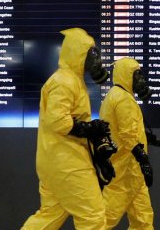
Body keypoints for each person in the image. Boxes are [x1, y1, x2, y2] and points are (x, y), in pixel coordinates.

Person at [22, 27, 115, 230]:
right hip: (68, 163)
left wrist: (95, 142)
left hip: (58, 161)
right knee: (93, 217)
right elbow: (58, 121)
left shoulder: (72, 80)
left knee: (49, 216)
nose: (97, 62)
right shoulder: (64, 81)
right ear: (78, 53)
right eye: (92, 55)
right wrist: (89, 128)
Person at [99, 57, 157, 230]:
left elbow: (122, 129)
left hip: (131, 172)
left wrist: (146, 137)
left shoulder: (116, 95)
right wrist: (144, 161)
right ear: (126, 75)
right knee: (105, 219)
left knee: (143, 220)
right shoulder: (123, 99)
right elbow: (128, 136)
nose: (141, 80)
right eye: (137, 75)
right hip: (125, 171)